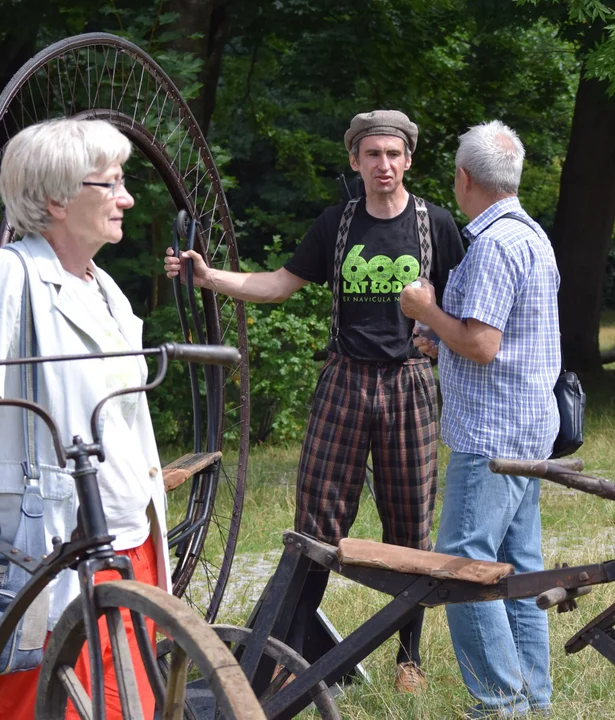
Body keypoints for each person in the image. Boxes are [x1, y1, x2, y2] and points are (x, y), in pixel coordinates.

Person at [165, 109, 465, 691]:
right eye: (373, 154)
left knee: (410, 523)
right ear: (355, 160)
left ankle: (409, 659)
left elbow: (464, 304)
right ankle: (286, 653)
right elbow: (277, 285)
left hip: (408, 384)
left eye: (394, 154)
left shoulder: (437, 223)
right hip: (344, 380)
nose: (385, 165)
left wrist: (435, 336)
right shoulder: (337, 223)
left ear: (409, 159)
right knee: (315, 525)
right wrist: (209, 278)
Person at [0, 118, 169, 720]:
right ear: (56, 199)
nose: (126, 199)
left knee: (128, 699)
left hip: (129, 527)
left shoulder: (107, 291)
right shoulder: (8, 274)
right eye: (112, 185)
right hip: (56, 536)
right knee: (52, 697)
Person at [400, 120, 560, 718]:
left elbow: (484, 345)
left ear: (463, 179)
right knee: (517, 568)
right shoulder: (531, 236)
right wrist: (443, 341)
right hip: (526, 424)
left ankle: (499, 704)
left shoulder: (492, 244)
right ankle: (533, 701)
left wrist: (427, 310)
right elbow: (506, 340)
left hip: (491, 435)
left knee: (464, 562)